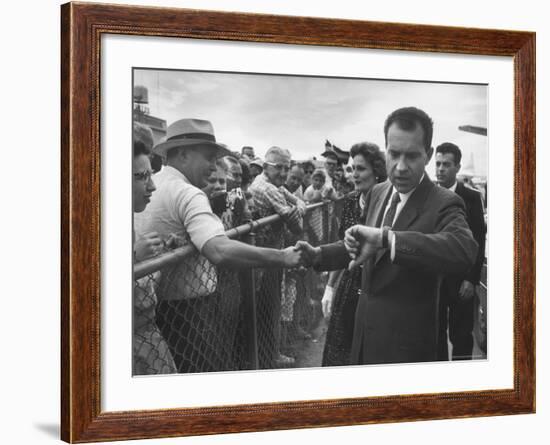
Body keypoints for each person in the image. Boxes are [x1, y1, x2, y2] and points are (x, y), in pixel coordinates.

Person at [298, 107, 478, 365]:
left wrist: (389, 239)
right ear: (385, 150)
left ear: (428, 155)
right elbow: (364, 244)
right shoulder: (378, 192)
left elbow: (464, 251)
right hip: (362, 341)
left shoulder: (445, 202)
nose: (401, 167)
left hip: (405, 353)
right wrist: (319, 255)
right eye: (394, 154)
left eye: (412, 156)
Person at [135, 119, 304, 373]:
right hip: (191, 314)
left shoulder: (153, 184)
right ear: (183, 154)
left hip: (158, 311)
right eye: (209, 158)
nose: (214, 167)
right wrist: (281, 256)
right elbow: (219, 249)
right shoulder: (188, 193)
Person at [321, 142, 387, 366]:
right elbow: (343, 248)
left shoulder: (389, 202)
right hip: (349, 287)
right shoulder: (349, 201)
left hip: (376, 289)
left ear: (376, 171)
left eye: (361, 169)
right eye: (352, 168)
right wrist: (330, 288)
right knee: (340, 354)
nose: (354, 174)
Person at [249, 146, 307, 367]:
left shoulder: (274, 186)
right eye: (279, 168)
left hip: (270, 255)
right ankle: (269, 357)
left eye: (287, 168)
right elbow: (297, 226)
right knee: (269, 309)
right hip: (266, 259)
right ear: (265, 167)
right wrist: (296, 211)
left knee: (270, 308)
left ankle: (267, 356)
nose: (284, 173)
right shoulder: (268, 189)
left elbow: (299, 204)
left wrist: (297, 209)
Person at [132, 123, 177, 375]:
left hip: (149, 341)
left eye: (151, 175)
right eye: (141, 177)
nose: (152, 186)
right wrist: (134, 256)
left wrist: (157, 254)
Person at [435, 142, 486, 360]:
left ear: (457, 167)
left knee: (462, 335)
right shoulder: (427, 195)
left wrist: (471, 279)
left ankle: (461, 381)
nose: (440, 169)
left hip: (461, 279)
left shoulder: (472, 197)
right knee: (434, 333)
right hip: (434, 278)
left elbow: (478, 240)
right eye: (437, 164)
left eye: (446, 164)